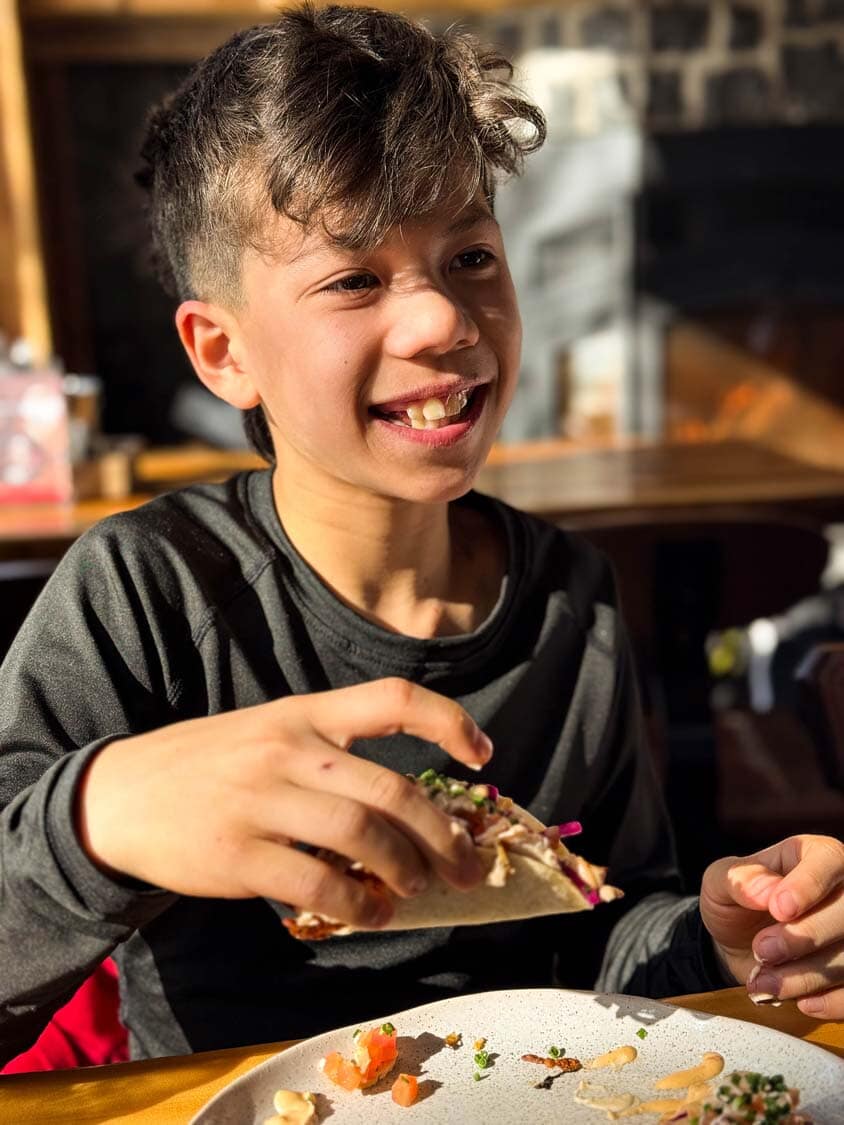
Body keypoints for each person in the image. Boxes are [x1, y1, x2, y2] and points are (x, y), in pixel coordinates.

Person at [2, 3, 843, 1067]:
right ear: (222, 353)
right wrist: (93, 821)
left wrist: (716, 941)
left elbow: (604, 934)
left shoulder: (570, 598)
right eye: (355, 279)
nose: (442, 321)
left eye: (471, 259)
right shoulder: (145, 593)